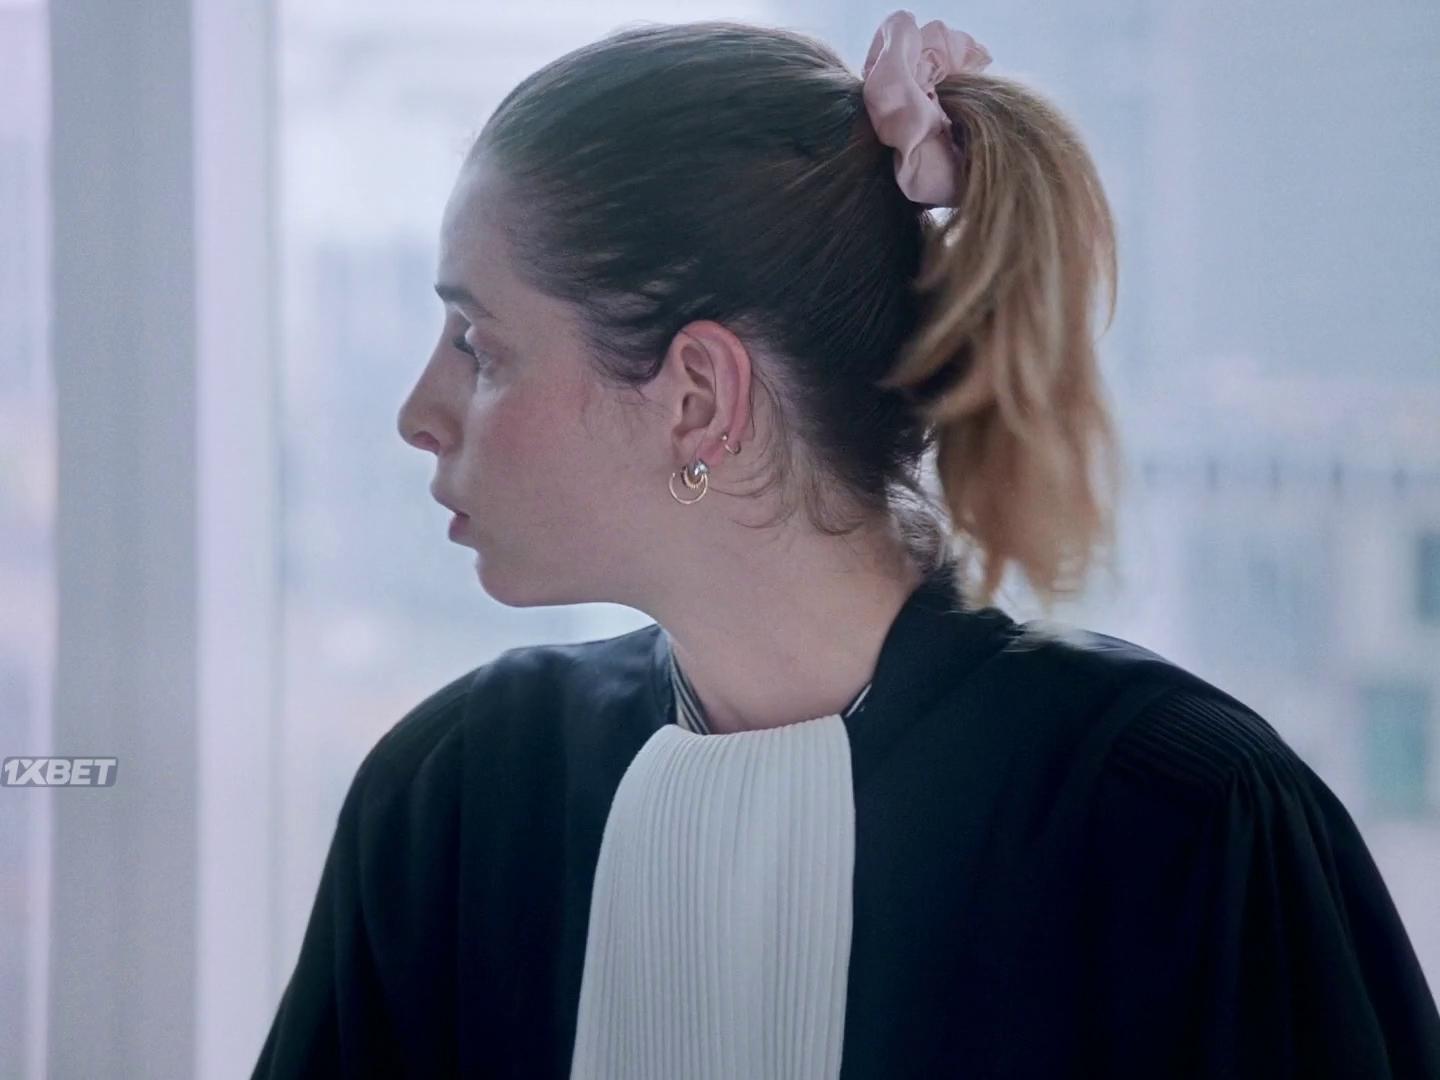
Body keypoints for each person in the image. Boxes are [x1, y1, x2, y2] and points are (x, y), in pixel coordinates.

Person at [251, 10, 1440, 1078]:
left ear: (698, 398)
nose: (418, 411)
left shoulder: (1182, 824)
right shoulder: (458, 801)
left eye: (479, 344)